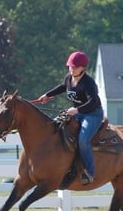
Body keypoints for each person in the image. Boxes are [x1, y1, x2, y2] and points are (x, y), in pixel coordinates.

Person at [37, 51, 104, 185]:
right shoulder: (69, 78)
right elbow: (62, 87)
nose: (71, 69)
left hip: (93, 114)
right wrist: (47, 95)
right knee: (54, 125)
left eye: (75, 67)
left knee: (83, 140)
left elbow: (92, 102)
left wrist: (77, 110)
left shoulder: (88, 83)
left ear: (83, 68)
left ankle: (89, 172)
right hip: (77, 112)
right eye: (70, 66)